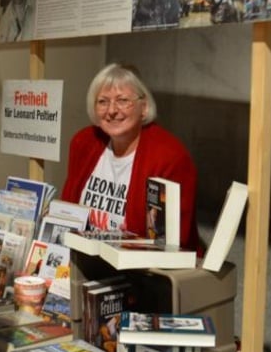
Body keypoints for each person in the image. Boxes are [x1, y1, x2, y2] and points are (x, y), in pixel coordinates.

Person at [61, 63, 198, 250]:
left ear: (144, 107)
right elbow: (68, 212)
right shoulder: (84, 142)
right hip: (83, 262)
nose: (112, 110)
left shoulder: (169, 156)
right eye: (102, 101)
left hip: (144, 271)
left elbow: (168, 244)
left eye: (122, 100)